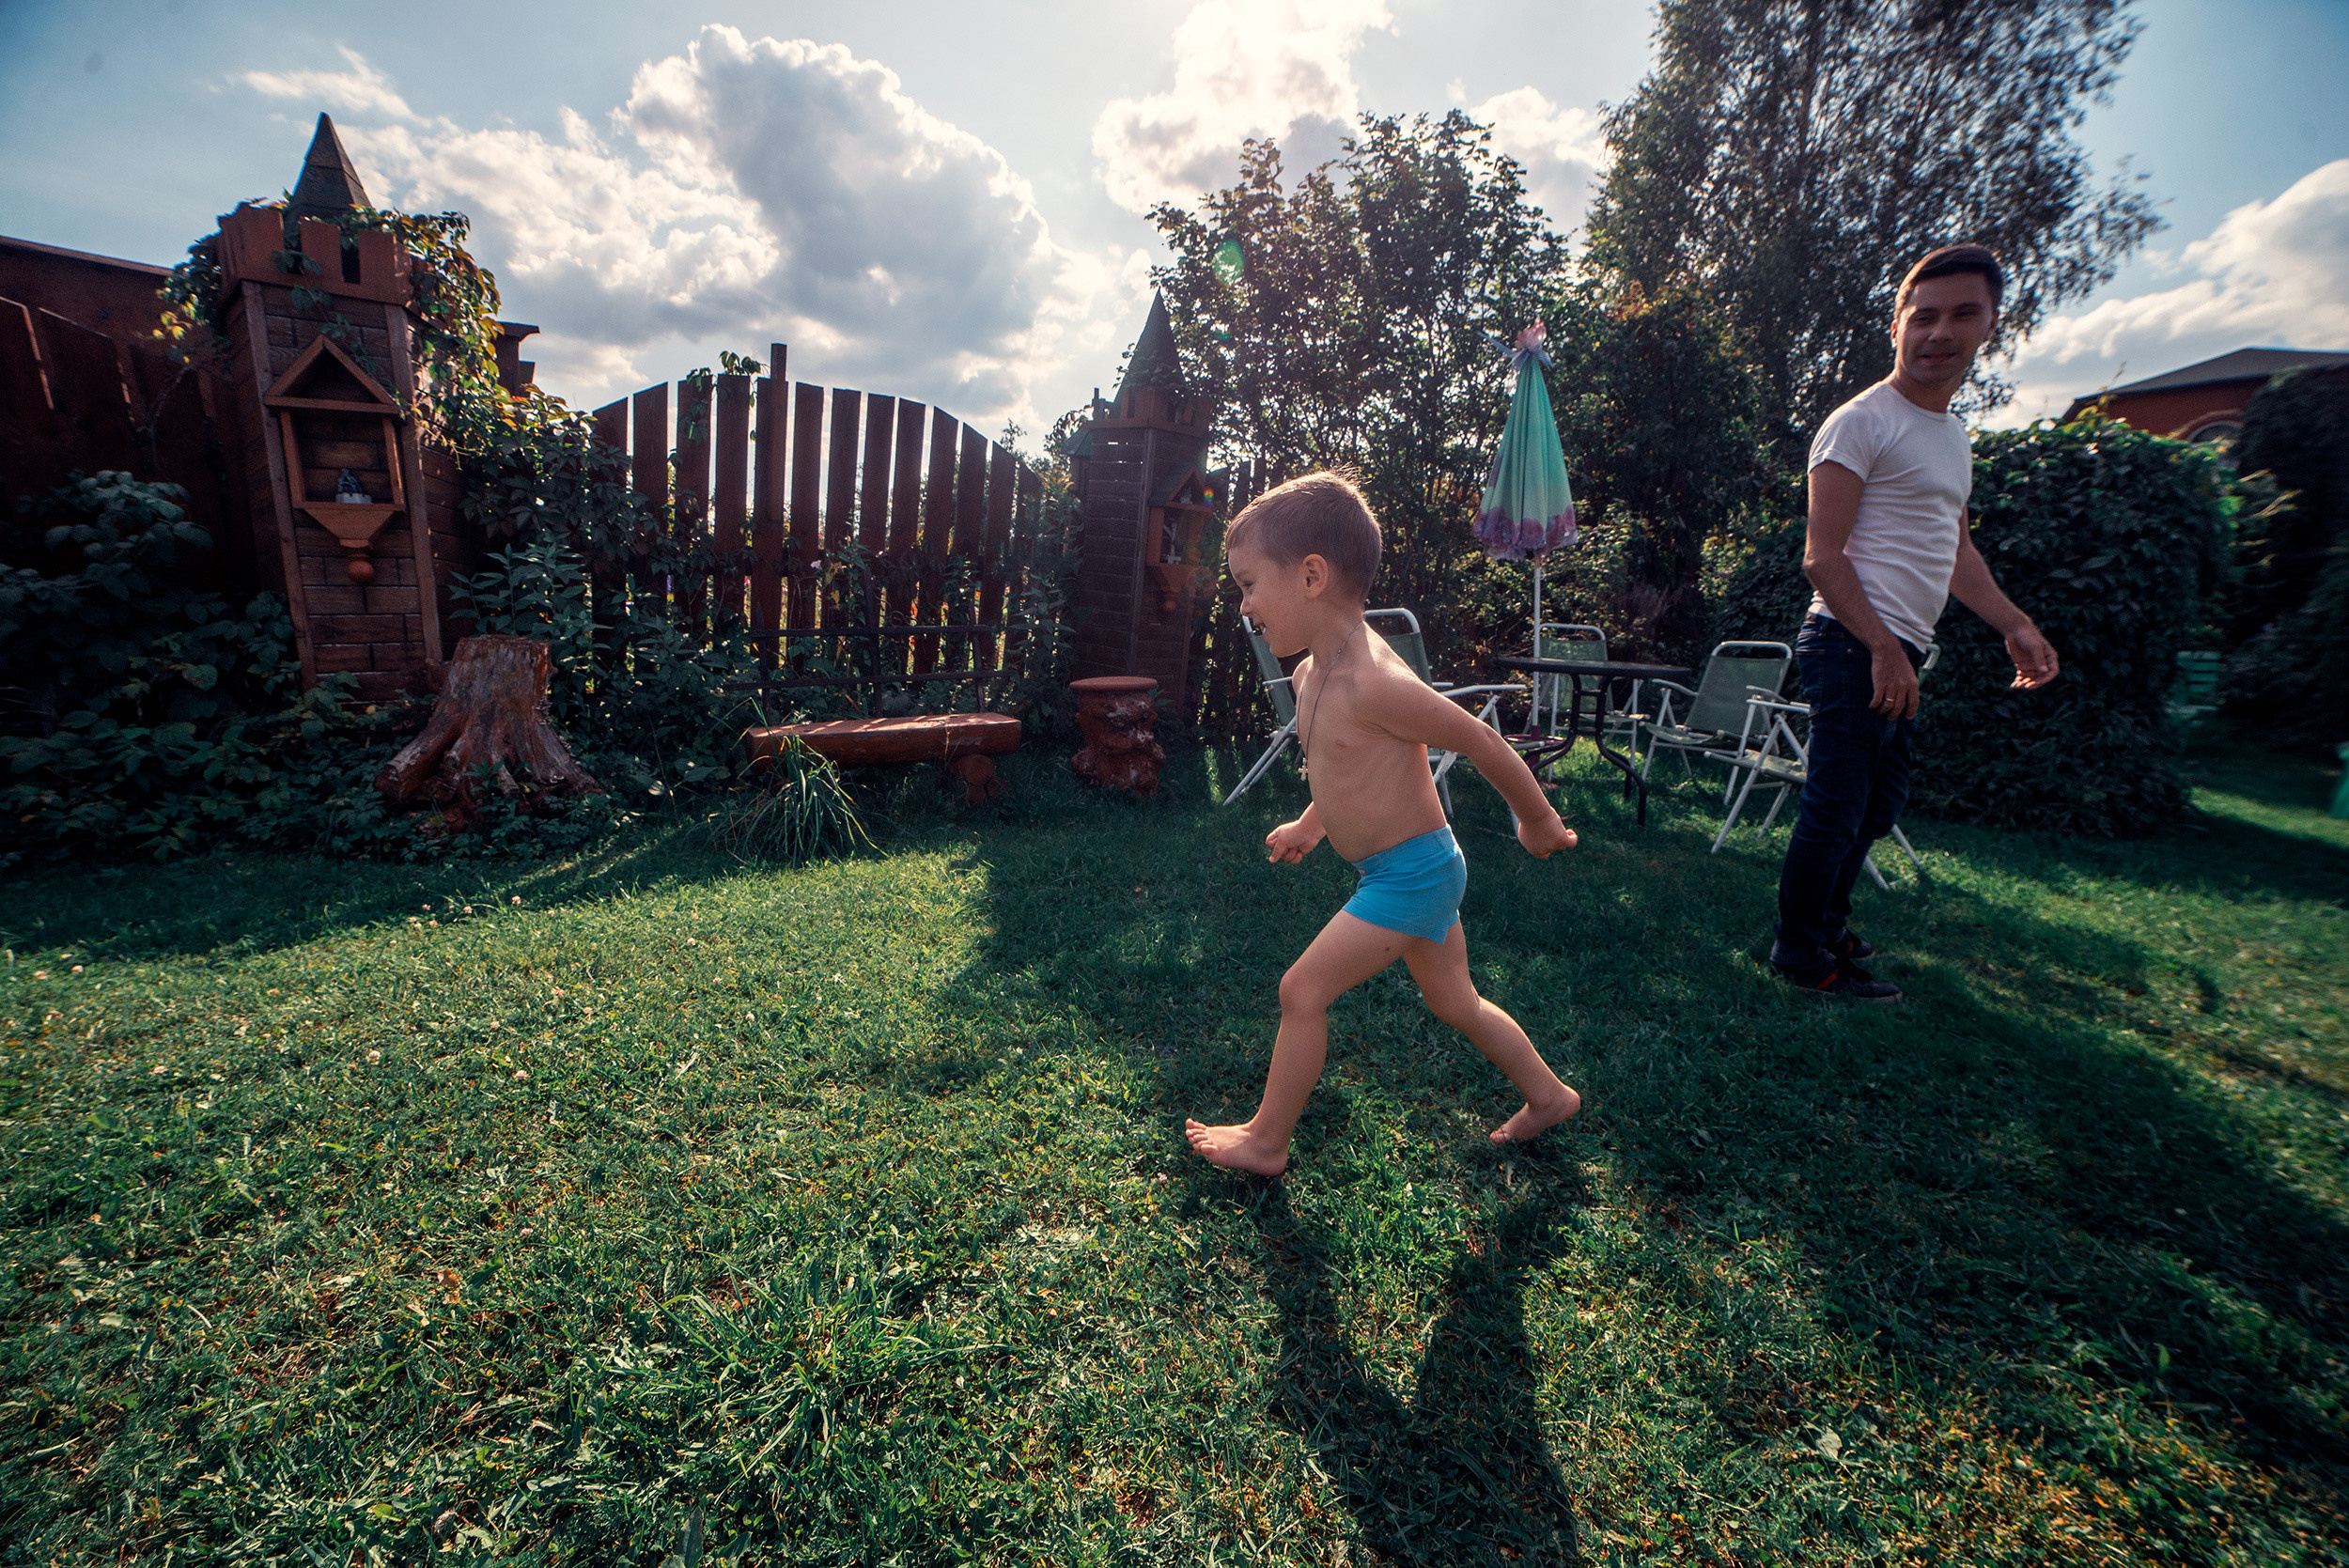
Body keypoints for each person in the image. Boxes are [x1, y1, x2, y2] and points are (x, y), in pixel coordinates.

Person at [1185, 473, 1583, 1176]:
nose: (1244, 607)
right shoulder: (1312, 675)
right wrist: (1312, 822)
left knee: (1301, 991)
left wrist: (1538, 819)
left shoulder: (1376, 682)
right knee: (1456, 1000)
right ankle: (1549, 1095)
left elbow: (1484, 741)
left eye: (1248, 585)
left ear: (1311, 575)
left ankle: (1266, 1141)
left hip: (1414, 872)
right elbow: (1345, 767)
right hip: (1405, 867)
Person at [1772, 243, 2061, 1001]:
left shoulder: (1953, 436)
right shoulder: (1861, 422)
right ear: (1896, 326)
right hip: (1849, 639)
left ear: (1990, 325)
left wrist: (2015, 623)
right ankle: (1801, 954)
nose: (1939, 332)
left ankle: (1828, 926)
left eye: (1962, 315)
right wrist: (1882, 649)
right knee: (1836, 808)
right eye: (1923, 316)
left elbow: (1955, 549)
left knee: (1878, 804)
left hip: (1895, 647)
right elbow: (1821, 557)